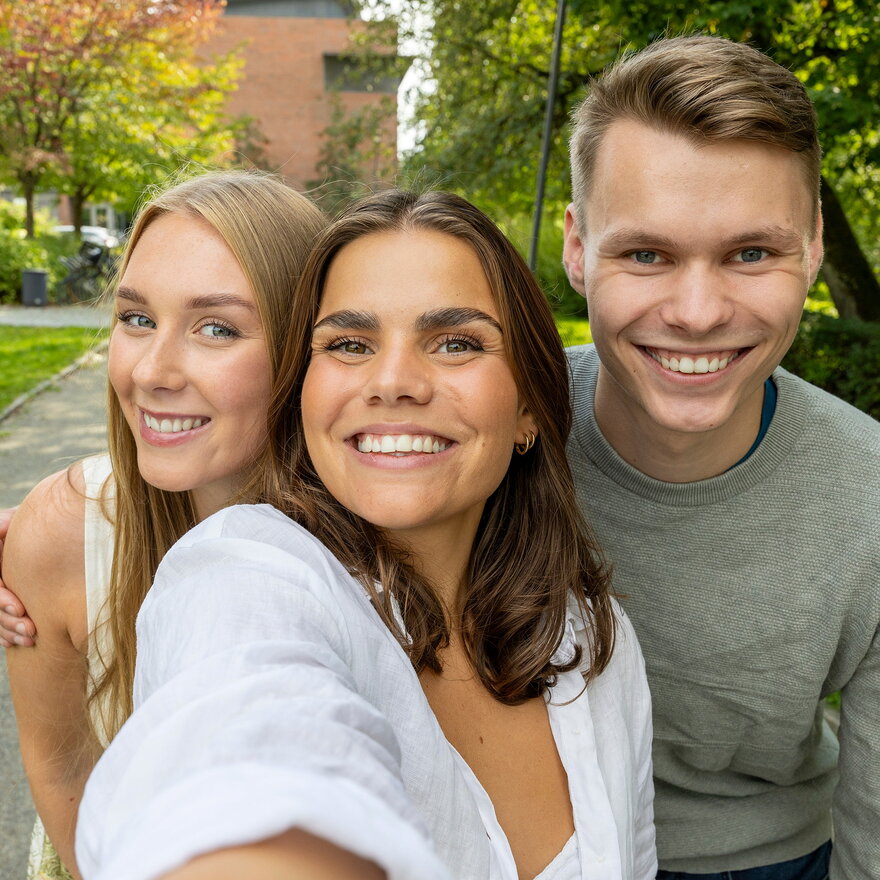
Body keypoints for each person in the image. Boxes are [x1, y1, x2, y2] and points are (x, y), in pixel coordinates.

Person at [74, 190, 656, 880]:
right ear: (302, 391)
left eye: (456, 343)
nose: (393, 382)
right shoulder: (247, 575)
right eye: (350, 344)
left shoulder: (592, 638)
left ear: (529, 405)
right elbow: (242, 745)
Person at [561, 35, 880, 879]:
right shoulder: (491, 434)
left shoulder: (871, 498)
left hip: (778, 860)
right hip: (526, 841)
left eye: (750, 253)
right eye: (646, 254)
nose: (698, 313)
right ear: (575, 247)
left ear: (812, 247)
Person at [2, 169, 327, 880]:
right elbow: (62, 772)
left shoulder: (383, 536)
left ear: (306, 348)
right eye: (136, 318)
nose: (152, 370)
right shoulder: (64, 536)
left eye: (216, 328)